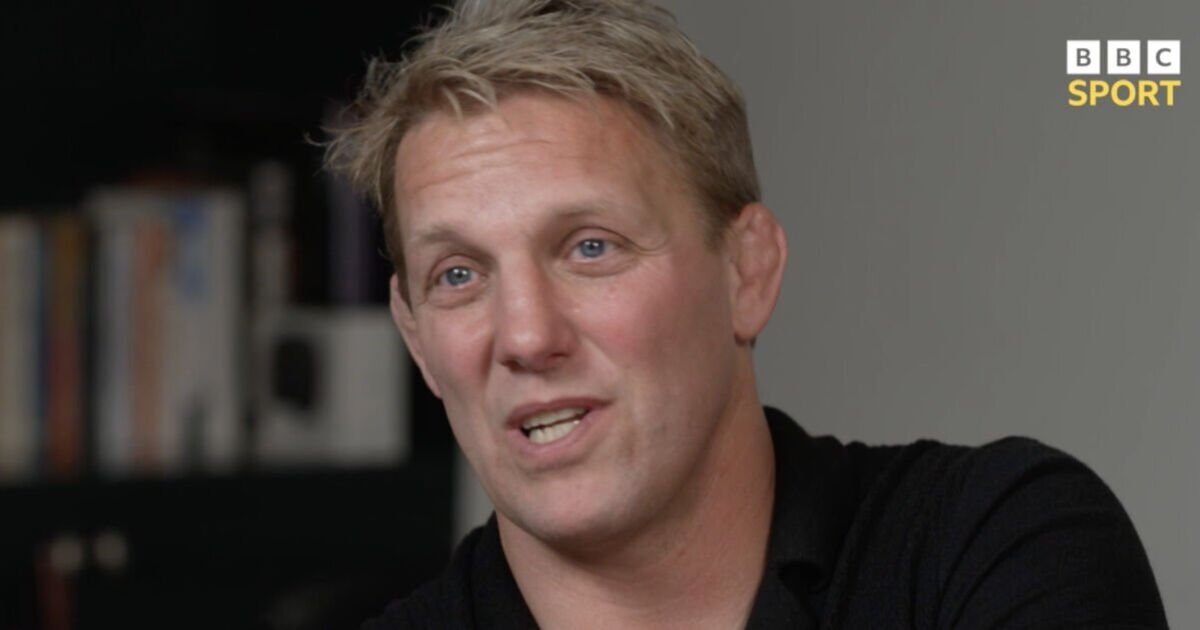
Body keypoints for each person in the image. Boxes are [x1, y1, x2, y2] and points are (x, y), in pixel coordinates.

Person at [324, 1, 1168, 627]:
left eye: (590, 247)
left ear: (748, 271)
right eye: (459, 274)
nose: (526, 336)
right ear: (417, 339)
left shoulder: (1000, 545)